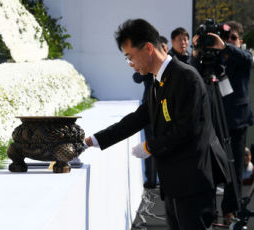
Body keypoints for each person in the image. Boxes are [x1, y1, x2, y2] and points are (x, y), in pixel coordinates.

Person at [84, 18, 230, 230]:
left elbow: (187, 129)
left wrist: (149, 146)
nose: (130, 64)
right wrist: (92, 140)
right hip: (174, 183)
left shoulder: (186, 77)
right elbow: (136, 119)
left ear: (148, 48)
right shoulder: (157, 80)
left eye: (130, 57)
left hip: (192, 182)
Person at [191, 20, 254, 225]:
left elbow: (248, 58)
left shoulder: (242, 57)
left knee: (234, 167)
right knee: (210, 166)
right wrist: (196, 50)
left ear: (240, 41)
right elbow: (193, 75)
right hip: (213, 119)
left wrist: (225, 46)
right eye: (227, 37)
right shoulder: (212, 57)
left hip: (236, 120)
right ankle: (208, 211)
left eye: (233, 38)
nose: (228, 41)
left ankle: (230, 210)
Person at [132, 36, 168, 189]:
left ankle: (166, 178)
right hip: (150, 109)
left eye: (166, 49)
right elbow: (136, 77)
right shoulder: (148, 66)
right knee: (150, 143)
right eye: (161, 48)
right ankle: (151, 179)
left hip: (167, 110)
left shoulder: (175, 67)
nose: (164, 52)